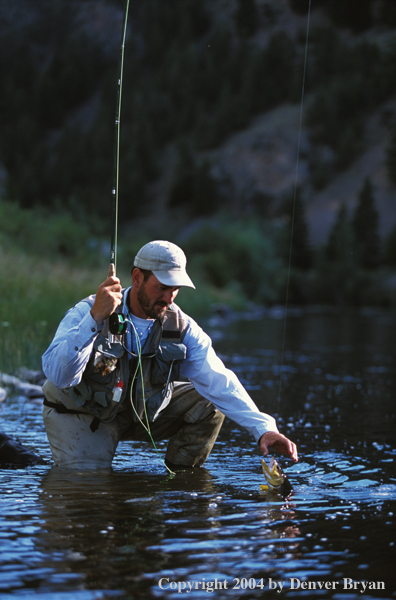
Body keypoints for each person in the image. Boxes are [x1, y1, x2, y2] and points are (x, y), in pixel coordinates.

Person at [42, 240, 298, 470]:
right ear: (137, 277)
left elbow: (219, 380)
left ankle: (180, 481)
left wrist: (264, 429)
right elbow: (59, 377)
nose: (168, 298)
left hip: (141, 414)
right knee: (85, 486)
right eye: (162, 287)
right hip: (85, 413)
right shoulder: (88, 311)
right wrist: (95, 319)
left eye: (175, 289)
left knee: (210, 403)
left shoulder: (183, 327)